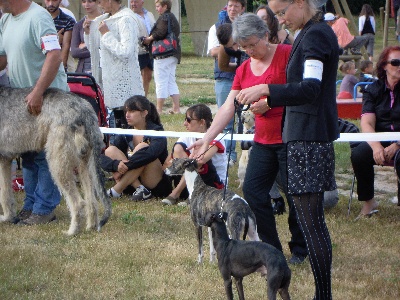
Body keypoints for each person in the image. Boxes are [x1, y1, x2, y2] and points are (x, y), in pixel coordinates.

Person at [189, 13, 308, 265]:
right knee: (253, 192)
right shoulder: (243, 68)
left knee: (295, 195)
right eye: (243, 47)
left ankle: (300, 249)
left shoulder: (288, 55)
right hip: (263, 140)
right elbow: (228, 108)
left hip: (291, 138)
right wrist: (206, 139)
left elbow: (303, 92)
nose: (249, 51)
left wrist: (269, 101)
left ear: (266, 35)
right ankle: (271, 248)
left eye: (253, 44)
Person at [246, 1, 338, 298]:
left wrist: (267, 89)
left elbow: (311, 88)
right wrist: (272, 102)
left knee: (312, 226)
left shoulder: (316, 35)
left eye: (282, 12)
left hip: (309, 138)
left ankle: (323, 295)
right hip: (303, 134)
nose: (280, 20)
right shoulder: (311, 32)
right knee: (312, 224)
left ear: (300, 2)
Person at [0, 0, 69, 224]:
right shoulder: (6, 19)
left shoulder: (38, 17)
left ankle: (44, 208)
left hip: (48, 97)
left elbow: (54, 55)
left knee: (46, 156)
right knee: (28, 156)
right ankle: (30, 206)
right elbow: (3, 58)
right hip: (21, 101)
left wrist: (39, 92)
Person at [351, 45, 400, 219]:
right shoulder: (373, 89)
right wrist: (376, 146)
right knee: (359, 154)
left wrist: (397, 144)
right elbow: (367, 122)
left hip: (399, 142)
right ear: (384, 65)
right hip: (380, 138)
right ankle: (369, 202)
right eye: (396, 62)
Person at [101, 95, 172, 201]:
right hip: (131, 182)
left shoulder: (157, 131)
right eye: (126, 111)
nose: (127, 115)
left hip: (155, 184)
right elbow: (101, 157)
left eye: (132, 111)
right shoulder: (126, 132)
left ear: (144, 113)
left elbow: (151, 154)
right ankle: (139, 188)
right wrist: (116, 165)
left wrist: (125, 166)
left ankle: (116, 190)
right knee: (110, 150)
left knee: (142, 147)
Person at [84, 0, 144, 110]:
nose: (99, 5)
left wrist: (106, 34)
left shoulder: (126, 19)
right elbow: (95, 49)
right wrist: (89, 33)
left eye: (100, 1)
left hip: (125, 85)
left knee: (125, 121)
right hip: (109, 82)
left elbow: (126, 52)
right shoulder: (103, 20)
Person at [161, 104, 226, 206]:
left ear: (202, 122)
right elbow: (166, 164)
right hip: (189, 182)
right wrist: (186, 164)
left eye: (188, 120)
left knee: (199, 160)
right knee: (178, 148)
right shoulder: (186, 137)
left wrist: (186, 164)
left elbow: (202, 160)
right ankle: (187, 194)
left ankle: (176, 193)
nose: (184, 123)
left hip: (213, 186)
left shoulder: (217, 137)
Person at [207, 0, 246, 166]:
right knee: (226, 118)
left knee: (245, 117)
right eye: (230, 6)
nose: (232, 9)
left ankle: (245, 153)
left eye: (236, 6)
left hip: (245, 76)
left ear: (243, 9)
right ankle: (229, 154)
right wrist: (230, 48)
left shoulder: (247, 27)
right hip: (224, 76)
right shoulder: (217, 28)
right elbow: (212, 51)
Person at [142, 0, 180, 114]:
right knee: (170, 81)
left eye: (158, 6)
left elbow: (160, 32)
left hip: (163, 54)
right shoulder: (172, 17)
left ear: (165, 6)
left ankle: (159, 109)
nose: (157, 8)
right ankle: (176, 108)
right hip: (173, 53)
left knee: (160, 81)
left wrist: (148, 39)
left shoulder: (165, 17)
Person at [131, 0, 155, 96]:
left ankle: (144, 98)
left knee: (148, 76)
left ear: (142, 2)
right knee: (137, 77)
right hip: (137, 50)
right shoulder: (129, 16)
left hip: (150, 50)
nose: (133, 4)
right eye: (132, 2)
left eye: (136, 1)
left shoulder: (150, 14)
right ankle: (136, 98)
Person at [44, 0, 76, 71]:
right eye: (48, 0)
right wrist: (55, 41)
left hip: (57, 66)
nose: (51, 4)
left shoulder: (68, 21)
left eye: (54, 0)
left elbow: (66, 47)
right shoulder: (37, 19)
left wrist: (61, 70)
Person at [71, 0, 102, 73]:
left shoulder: (106, 21)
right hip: (84, 69)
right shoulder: (79, 25)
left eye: (90, 1)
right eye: (84, 2)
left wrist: (85, 44)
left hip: (103, 67)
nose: (86, 5)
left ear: (98, 2)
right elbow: (75, 52)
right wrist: (97, 46)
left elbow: (107, 47)